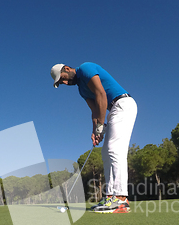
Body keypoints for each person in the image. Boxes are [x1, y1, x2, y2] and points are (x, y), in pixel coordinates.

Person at [50, 62, 137, 213]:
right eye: (61, 83)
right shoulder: (81, 90)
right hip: (112, 110)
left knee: (115, 150)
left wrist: (100, 126)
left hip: (123, 104)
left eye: (62, 78)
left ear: (67, 68)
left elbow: (101, 95)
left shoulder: (85, 68)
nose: (64, 82)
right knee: (106, 153)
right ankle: (110, 196)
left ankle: (121, 199)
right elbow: (95, 110)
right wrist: (95, 131)